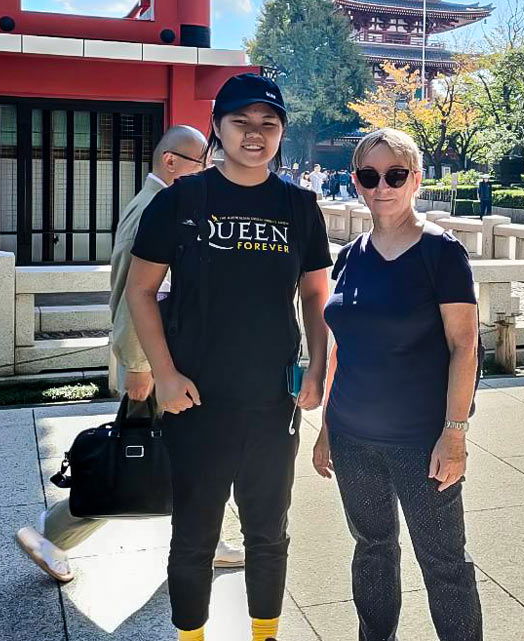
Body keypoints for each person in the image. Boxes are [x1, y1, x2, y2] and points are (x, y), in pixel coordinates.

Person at [125, 73, 333, 641]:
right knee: (194, 534)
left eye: (268, 124)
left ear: (281, 134)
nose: (254, 134)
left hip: (273, 401)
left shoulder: (299, 207)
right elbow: (140, 291)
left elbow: (315, 295)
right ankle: (191, 634)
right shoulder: (182, 201)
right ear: (218, 128)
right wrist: (163, 376)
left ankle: (264, 633)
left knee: (269, 531)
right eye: (241, 122)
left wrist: (317, 365)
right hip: (196, 399)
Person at [14, 126, 244, 583]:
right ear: (172, 162)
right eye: (201, 163)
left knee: (188, 455)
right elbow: (138, 294)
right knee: (136, 457)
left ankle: (205, 540)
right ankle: (52, 532)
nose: (207, 172)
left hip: (166, 361)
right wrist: (140, 366)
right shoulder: (157, 208)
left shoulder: (156, 203)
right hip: (159, 364)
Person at [313, 127, 483, 641]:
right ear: (356, 182)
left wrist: (454, 433)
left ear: (416, 179)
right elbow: (343, 346)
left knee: (444, 560)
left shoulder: (441, 253)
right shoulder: (350, 256)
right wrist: (326, 428)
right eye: (369, 175)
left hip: (420, 437)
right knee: (372, 548)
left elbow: (464, 346)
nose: (381, 186)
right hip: (352, 433)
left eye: (394, 174)